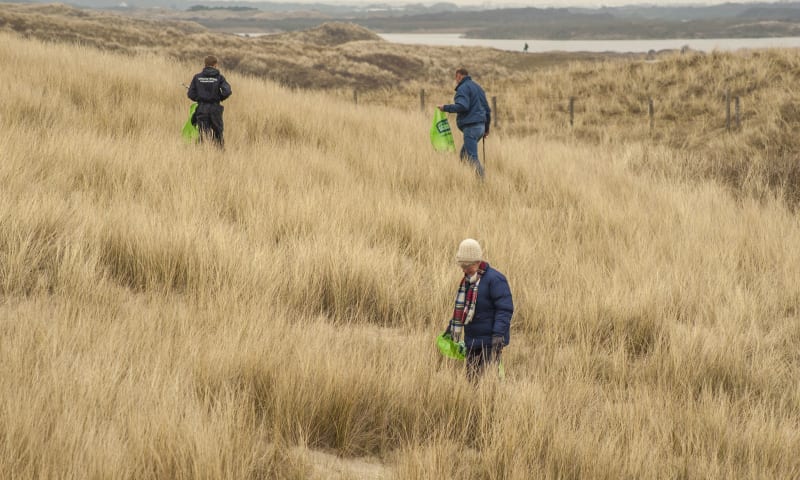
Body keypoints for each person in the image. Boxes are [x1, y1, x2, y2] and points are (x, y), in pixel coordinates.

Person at [447, 238, 513, 380]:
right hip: (471, 341)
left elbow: (504, 309)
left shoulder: (495, 280)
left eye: (467, 266)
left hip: (490, 342)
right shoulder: (467, 282)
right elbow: (464, 309)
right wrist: (451, 327)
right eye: (462, 266)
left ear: (477, 262)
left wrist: (498, 335)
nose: (464, 269)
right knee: (472, 382)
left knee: (488, 382)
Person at [437, 69, 491, 179]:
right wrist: (486, 129)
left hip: (471, 127)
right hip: (480, 126)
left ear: (459, 76)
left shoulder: (462, 89)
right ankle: (467, 179)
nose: (455, 81)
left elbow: (463, 106)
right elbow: (487, 110)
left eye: (455, 78)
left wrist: (445, 108)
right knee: (463, 156)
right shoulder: (478, 88)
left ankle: (482, 182)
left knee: (471, 157)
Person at [187, 55, 232, 147]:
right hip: (215, 109)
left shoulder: (197, 77)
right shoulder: (220, 78)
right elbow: (227, 91)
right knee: (218, 134)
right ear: (215, 65)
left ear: (205, 64)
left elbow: (190, 94)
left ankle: (203, 154)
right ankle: (218, 155)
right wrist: (219, 98)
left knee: (203, 135)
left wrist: (199, 98)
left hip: (202, 108)